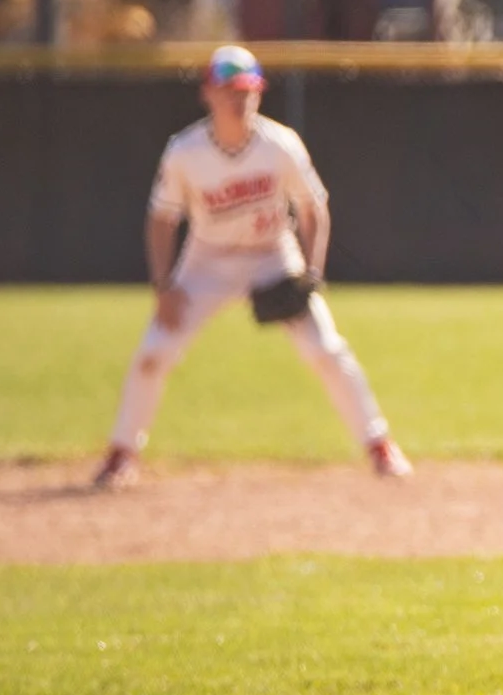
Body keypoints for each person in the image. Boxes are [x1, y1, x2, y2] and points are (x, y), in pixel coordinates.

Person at [91, 44, 410, 490]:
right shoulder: (185, 152)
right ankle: (122, 453)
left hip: (271, 255)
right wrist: (163, 286)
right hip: (207, 260)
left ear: (258, 93)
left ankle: (380, 445)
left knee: (325, 348)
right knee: (154, 353)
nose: (239, 100)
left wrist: (312, 273)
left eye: (247, 90)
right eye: (229, 90)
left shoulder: (279, 145)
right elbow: (162, 219)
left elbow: (314, 208)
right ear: (208, 93)